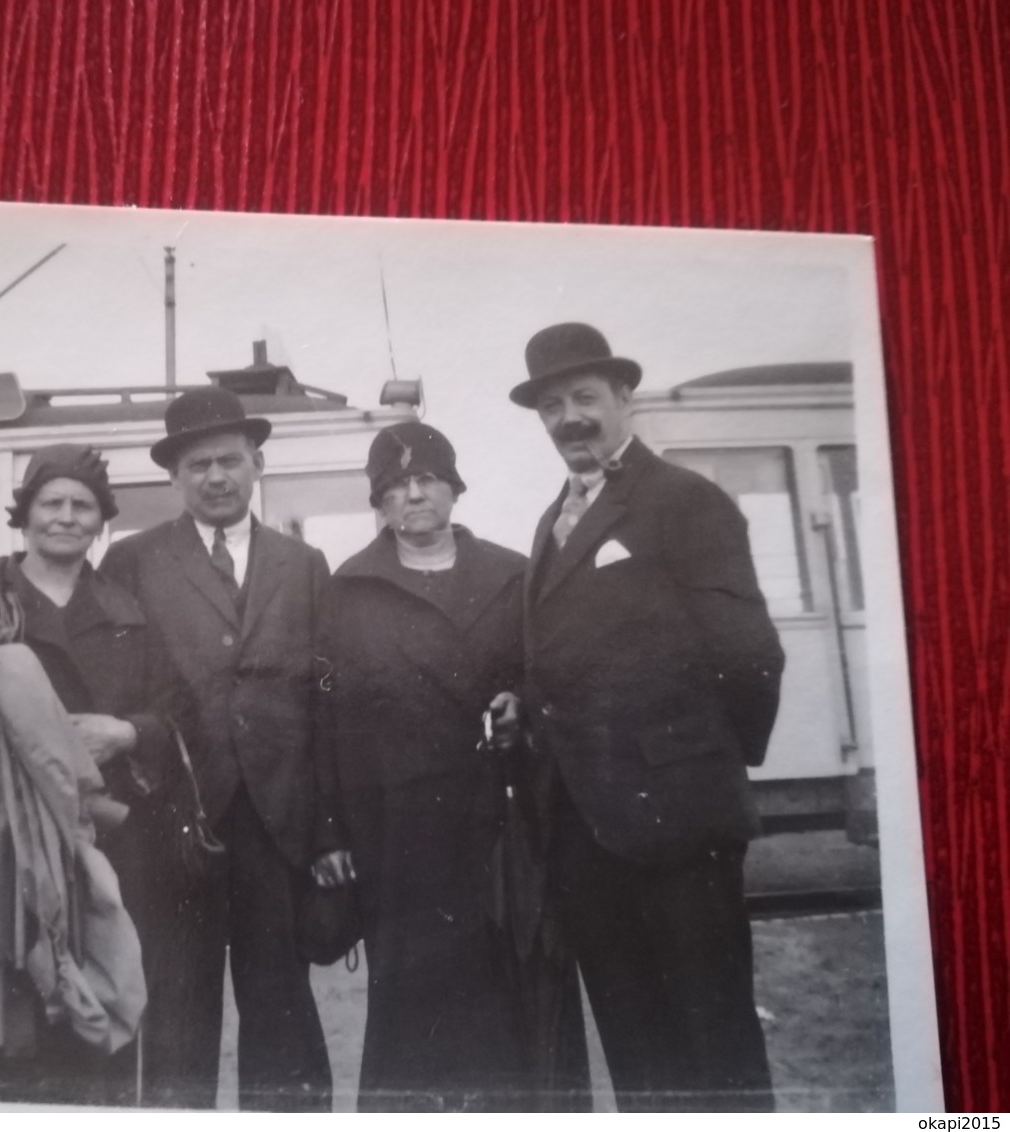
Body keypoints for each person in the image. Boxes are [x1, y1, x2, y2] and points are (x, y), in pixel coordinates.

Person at [509, 322, 786, 1111]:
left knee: (713, 1042)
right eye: (552, 405)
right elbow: (573, 657)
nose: (570, 418)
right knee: (638, 1050)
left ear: (622, 397)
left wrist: (698, 766)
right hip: (587, 834)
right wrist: (526, 703)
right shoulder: (553, 519)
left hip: (677, 828)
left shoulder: (683, 501)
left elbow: (750, 655)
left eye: (586, 398)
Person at [326, 421, 590, 1111]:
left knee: (515, 996)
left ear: (452, 489)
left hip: (502, 828)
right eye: (396, 486)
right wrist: (332, 832)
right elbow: (328, 719)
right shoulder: (347, 589)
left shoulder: (513, 576)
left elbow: (554, 677)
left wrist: (520, 706)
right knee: (415, 1013)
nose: (414, 495)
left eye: (428, 481)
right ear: (379, 502)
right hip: (398, 836)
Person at [99, 386, 341, 1111]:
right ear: (175, 476)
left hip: (276, 824)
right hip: (175, 822)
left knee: (280, 1001)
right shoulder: (132, 561)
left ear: (256, 463)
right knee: (175, 1004)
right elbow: (117, 686)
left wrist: (326, 827)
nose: (215, 477)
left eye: (229, 461)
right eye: (198, 463)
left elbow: (325, 704)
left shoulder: (303, 563)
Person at [0, 443, 196, 1106]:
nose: (66, 518)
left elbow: (176, 707)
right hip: (13, 831)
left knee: (106, 990)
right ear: (25, 515)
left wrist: (128, 732)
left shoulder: (128, 610)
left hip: (112, 834)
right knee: (26, 998)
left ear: (101, 521)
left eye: (83, 506)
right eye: (52, 503)